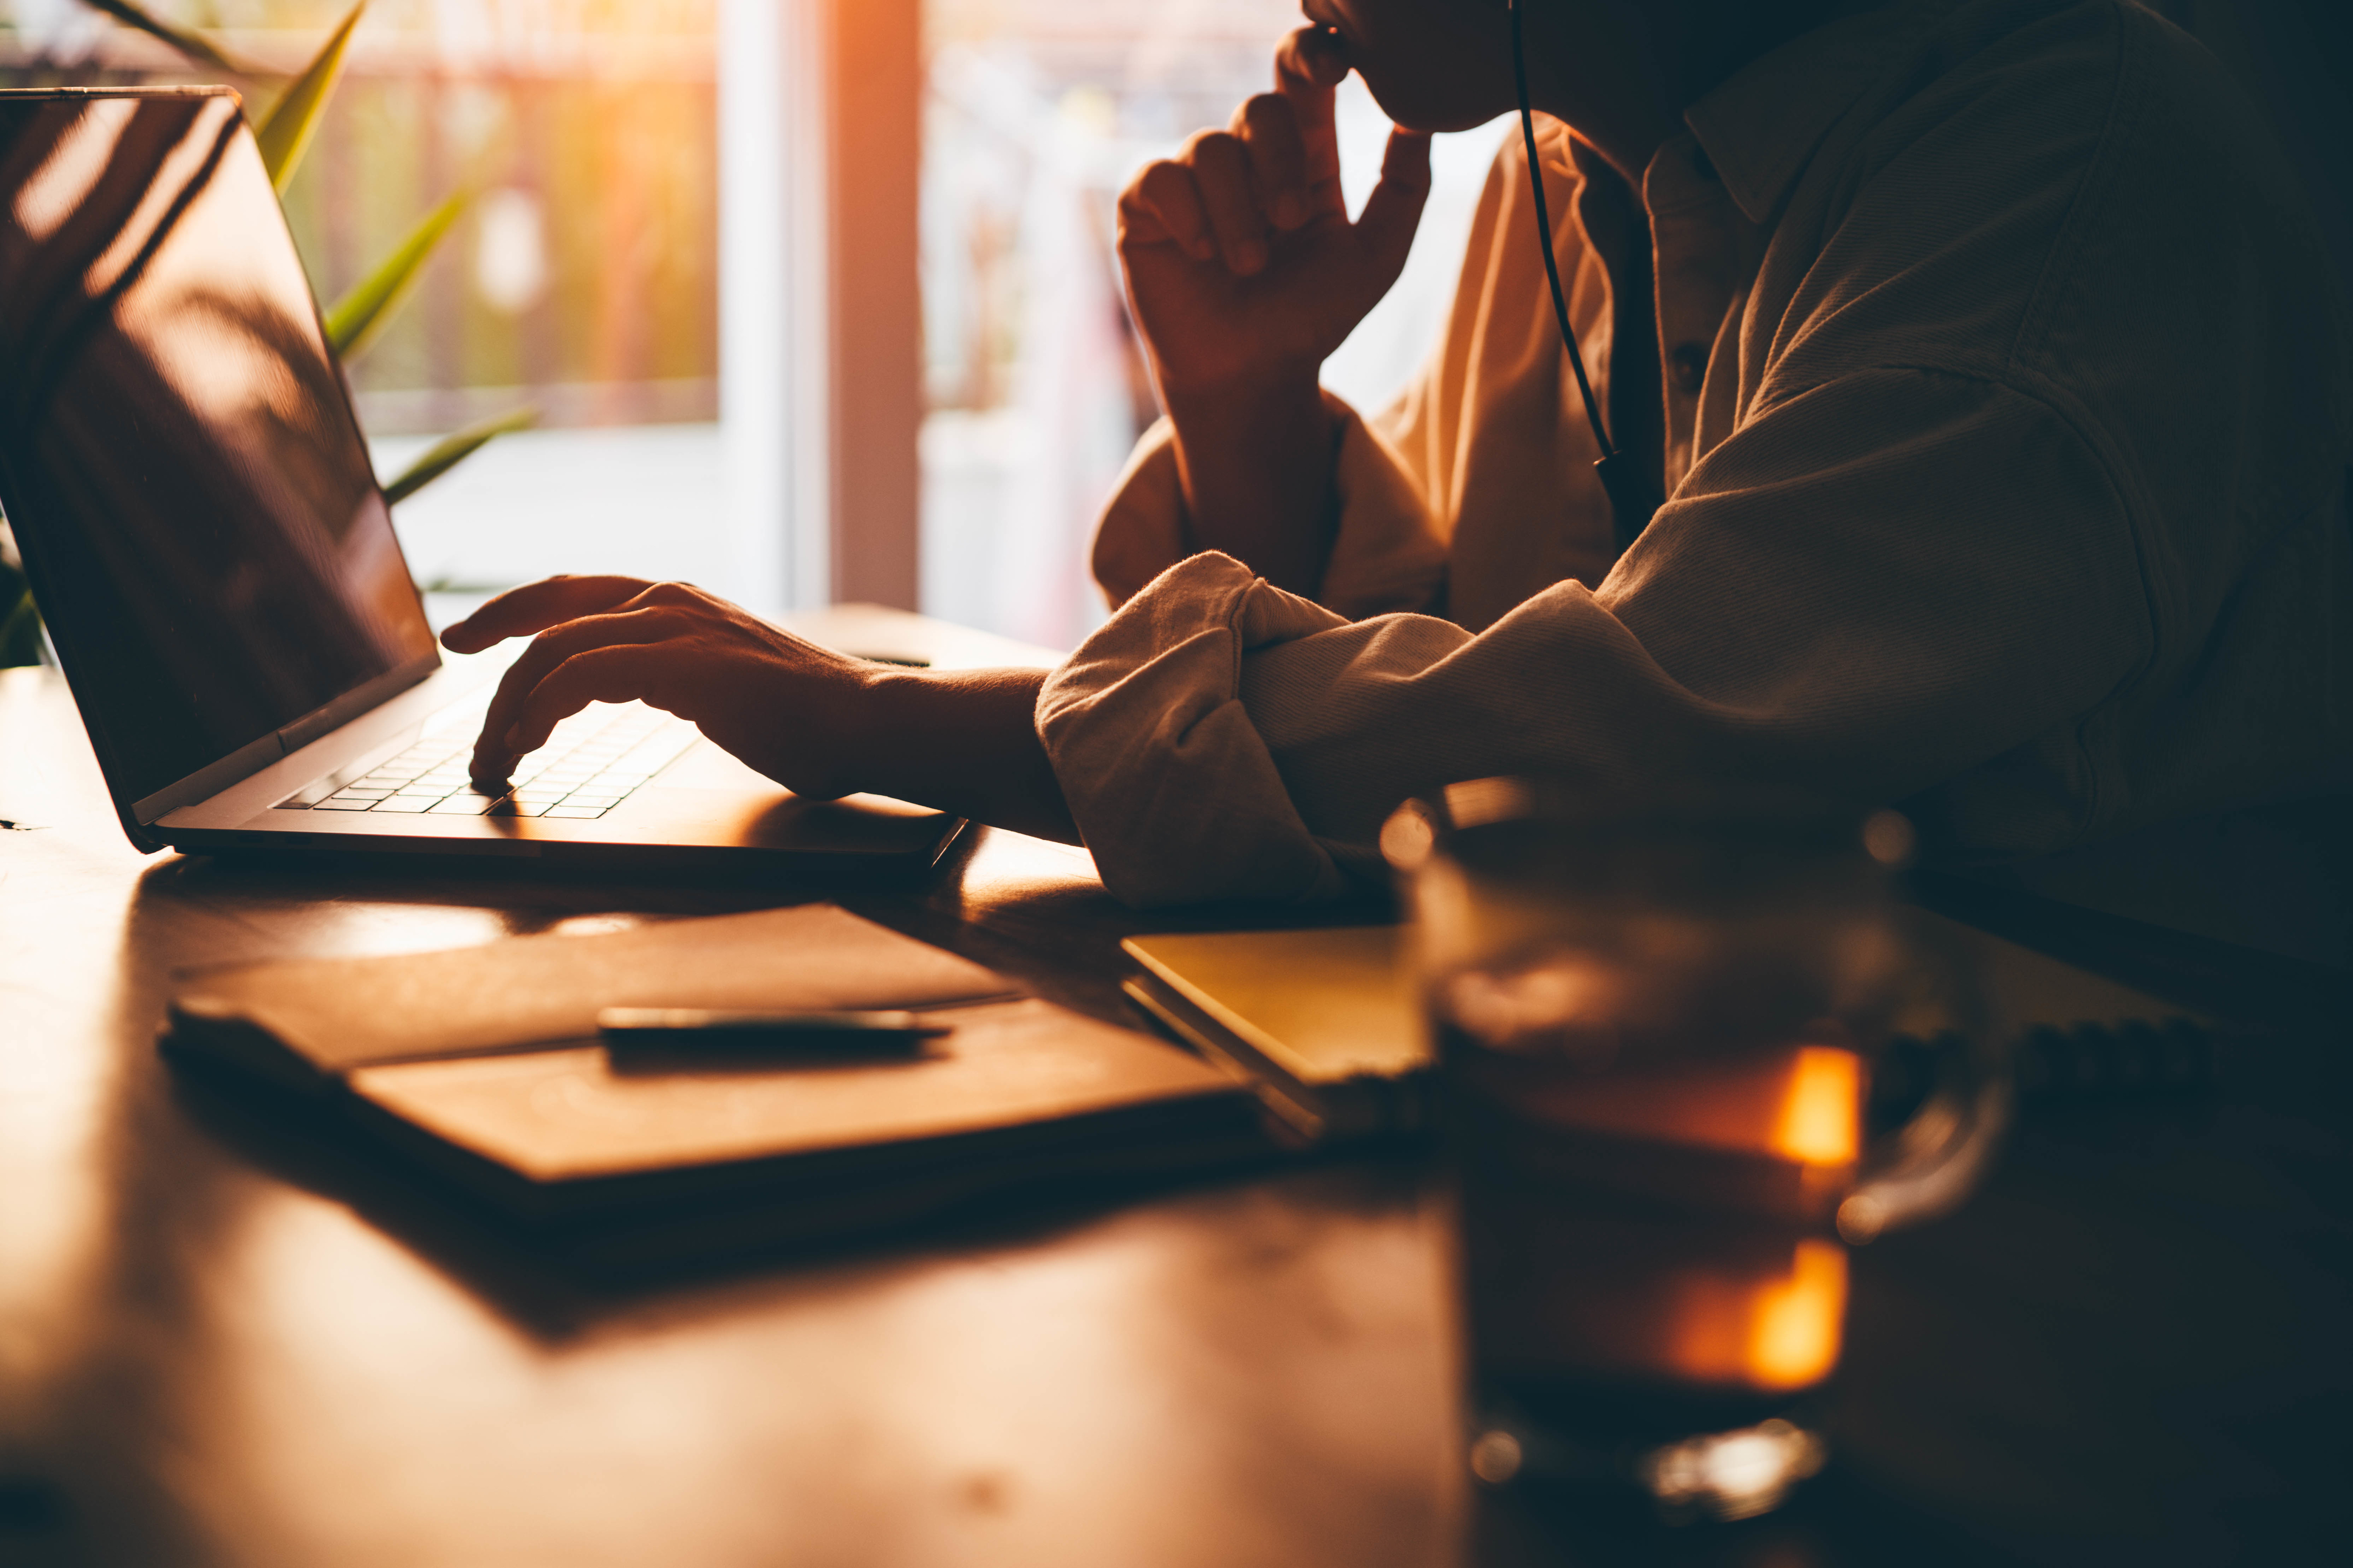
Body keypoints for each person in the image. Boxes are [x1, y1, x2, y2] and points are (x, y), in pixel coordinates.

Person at [444, 0, 2351, 927]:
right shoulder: (1568, 180)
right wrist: (1251, 413)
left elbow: (1589, 745)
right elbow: (1416, 683)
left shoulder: (2070, 198)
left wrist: (877, 718)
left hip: (2104, 1286)